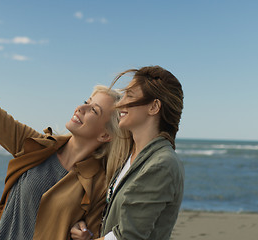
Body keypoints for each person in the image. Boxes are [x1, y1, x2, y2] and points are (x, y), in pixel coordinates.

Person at [0, 5, 130, 240]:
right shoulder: (36, 145)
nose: (80, 108)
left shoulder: (99, 185)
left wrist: (86, 236)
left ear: (105, 135)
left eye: (94, 110)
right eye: (85, 101)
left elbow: (100, 234)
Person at [71, 66, 185, 240]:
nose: (119, 103)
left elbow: (127, 236)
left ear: (154, 107)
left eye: (129, 96)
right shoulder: (132, 157)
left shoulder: (161, 164)